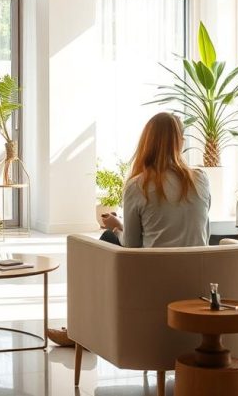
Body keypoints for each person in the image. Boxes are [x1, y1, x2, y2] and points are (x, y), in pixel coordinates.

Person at [47, 112, 212, 346]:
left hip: (155, 280)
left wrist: (116, 228)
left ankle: (80, 331)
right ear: (179, 142)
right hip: (196, 278)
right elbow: (202, 231)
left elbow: (132, 247)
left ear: (147, 142)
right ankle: (80, 331)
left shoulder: (138, 185)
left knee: (104, 238)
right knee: (112, 237)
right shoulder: (201, 179)